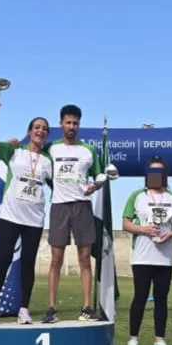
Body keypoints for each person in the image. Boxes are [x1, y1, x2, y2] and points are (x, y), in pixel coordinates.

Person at [0, 102, 52, 325]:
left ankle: (24, 309)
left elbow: (58, 186)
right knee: (3, 258)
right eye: (37, 127)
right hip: (10, 215)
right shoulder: (13, 151)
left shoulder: (48, 161)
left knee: (28, 263)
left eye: (44, 129)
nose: (40, 131)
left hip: (34, 218)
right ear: (29, 131)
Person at [43, 104, 103, 323]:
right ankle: (51, 308)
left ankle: (87, 307)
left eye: (75, 123)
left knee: (85, 258)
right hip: (59, 205)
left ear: (79, 124)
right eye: (68, 122)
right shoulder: (50, 148)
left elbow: (100, 176)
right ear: (61, 123)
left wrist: (94, 186)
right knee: (56, 259)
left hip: (82, 205)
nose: (71, 126)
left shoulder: (88, 150)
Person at [121, 157, 172, 345]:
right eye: (153, 171)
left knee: (161, 299)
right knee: (139, 297)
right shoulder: (137, 196)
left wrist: (171, 234)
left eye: (160, 172)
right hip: (142, 256)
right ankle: (133, 340)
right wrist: (144, 229)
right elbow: (125, 223)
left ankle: (160, 341)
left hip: (165, 258)